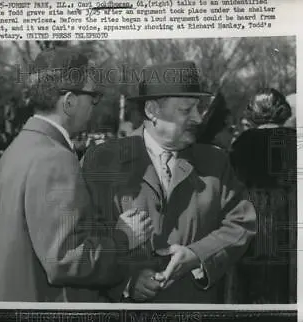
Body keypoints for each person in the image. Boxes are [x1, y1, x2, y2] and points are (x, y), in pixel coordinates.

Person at [0, 47, 153, 302]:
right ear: (70, 102)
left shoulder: (18, 148)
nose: (94, 106)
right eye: (92, 96)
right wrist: (123, 237)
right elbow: (66, 260)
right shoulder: (55, 158)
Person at [82, 61, 257, 303]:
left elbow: (242, 223)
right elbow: (84, 236)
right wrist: (126, 281)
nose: (198, 117)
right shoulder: (102, 160)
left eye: (198, 108)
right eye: (186, 110)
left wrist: (197, 255)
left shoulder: (215, 161)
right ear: (152, 110)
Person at [230, 88, 297, 303]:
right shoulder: (295, 140)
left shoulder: (241, 143)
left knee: (252, 288)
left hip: (253, 220)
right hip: (290, 219)